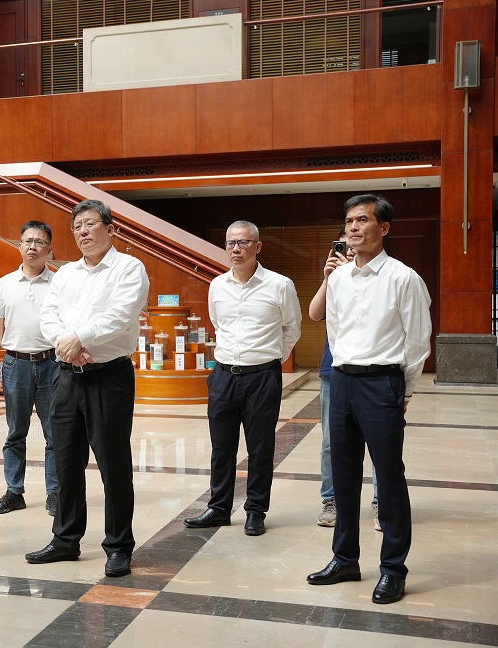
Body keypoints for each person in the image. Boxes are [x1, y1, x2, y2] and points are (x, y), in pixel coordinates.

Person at [306, 194, 431, 605]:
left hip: (381, 384)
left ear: (384, 228)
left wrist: (403, 390)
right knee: (343, 475)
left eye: (362, 220)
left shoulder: (403, 278)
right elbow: (331, 328)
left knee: (389, 477)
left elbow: (417, 343)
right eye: (349, 222)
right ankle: (345, 559)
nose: (353, 228)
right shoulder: (339, 278)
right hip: (342, 381)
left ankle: (393, 569)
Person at [25, 200, 149, 578]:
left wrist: (79, 337)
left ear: (110, 229)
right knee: (65, 462)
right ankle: (65, 539)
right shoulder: (65, 273)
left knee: (113, 465)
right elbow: (48, 315)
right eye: (77, 226)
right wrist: (67, 344)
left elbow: (121, 315)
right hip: (66, 375)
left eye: (90, 224)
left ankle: (118, 546)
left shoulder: (129, 268)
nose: (83, 231)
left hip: (108, 376)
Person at [185, 220, 301, 537]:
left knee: (260, 447)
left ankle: (255, 510)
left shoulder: (280, 285)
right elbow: (217, 324)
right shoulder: (217, 285)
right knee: (221, 447)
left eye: (243, 242)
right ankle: (219, 508)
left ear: (257, 246)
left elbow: (292, 329)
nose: (236, 248)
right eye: (231, 243)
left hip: (262, 377)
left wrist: (270, 359)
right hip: (223, 375)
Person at [0, 221, 58, 517]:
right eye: (28, 241)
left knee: (55, 433)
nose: (33, 246)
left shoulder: (60, 283)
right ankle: (14, 491)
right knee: (15, 432)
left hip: (52, 364)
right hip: (15, 364)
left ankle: (55, 492)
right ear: (19, 246)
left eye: (40, 242)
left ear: (49, 249)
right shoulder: (4, 284)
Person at [309, 230, 380, 529]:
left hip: (374, 372)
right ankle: (332, 500)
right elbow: (314, 314)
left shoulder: (381, 278)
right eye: (344, 247)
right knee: (331, 443)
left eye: (354, 245)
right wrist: (328, 278)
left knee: (378, 441)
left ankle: (381, 502)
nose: (349, 251)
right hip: (334, 371)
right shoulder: (336, 280)